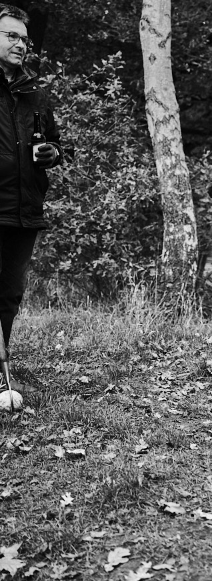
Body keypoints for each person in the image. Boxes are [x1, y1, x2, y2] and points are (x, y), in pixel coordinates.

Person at [0, 4, 62, 391]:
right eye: (11, 36)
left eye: (25, 39)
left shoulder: (34, 93)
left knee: (9, 293)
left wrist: (52, 152)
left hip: (25, 208)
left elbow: (55, 142)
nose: (21, 44)